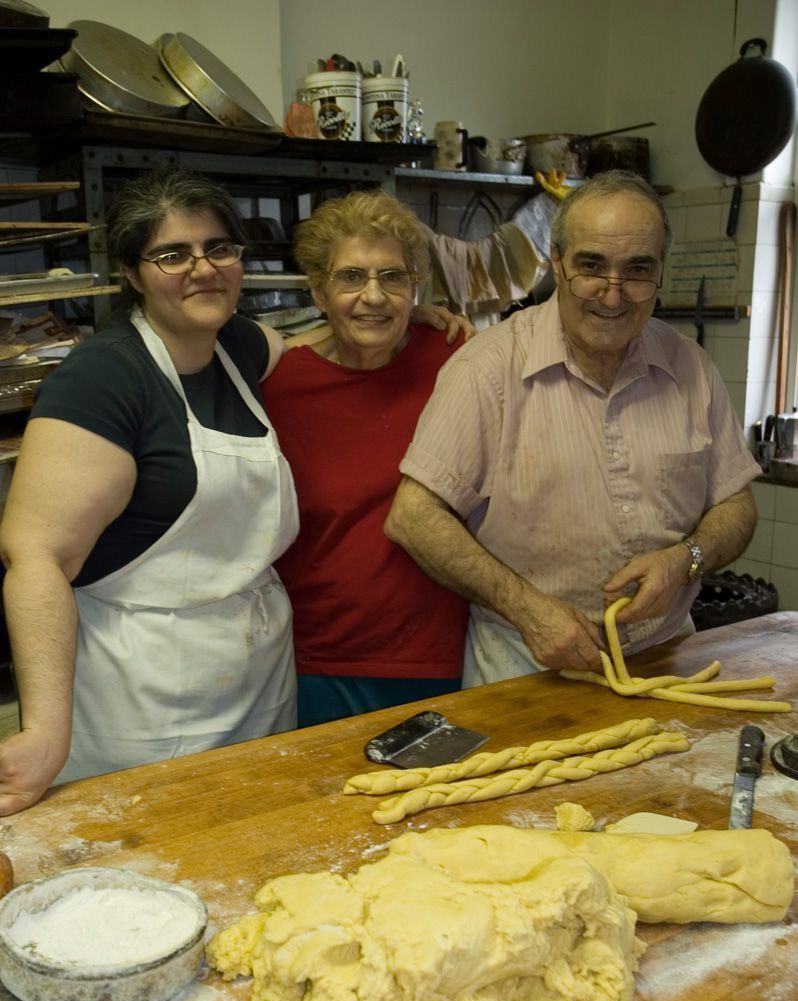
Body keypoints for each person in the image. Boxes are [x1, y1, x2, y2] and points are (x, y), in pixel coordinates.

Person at [0, 168, 464, 815]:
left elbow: (322, 341)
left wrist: (412, 317)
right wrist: (45, 729)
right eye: (172, 254)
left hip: (256, 687)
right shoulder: (103, 379)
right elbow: (35, 559)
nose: (202, 269)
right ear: (132, 272)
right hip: (146, 698)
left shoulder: (238, 348)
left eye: (218, 248)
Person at [385, 170, 761, 685]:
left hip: (668, 655)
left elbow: (736, 504)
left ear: (659, 271)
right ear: (556, 262)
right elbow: (413, 517)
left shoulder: (691, 367)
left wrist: (686, 559)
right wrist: (528, 609)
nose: (612, 296)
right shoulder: (486, 370)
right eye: (591, 266)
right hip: (526, 662)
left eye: (637, 270)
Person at [264, 190, 470, 726]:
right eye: (351, 277)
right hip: (320, 660)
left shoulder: (454, 360)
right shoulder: (278, 384)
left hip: (442, 652)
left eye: (392, 277)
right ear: (318, 290)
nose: (373, 296)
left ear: (415, 287)